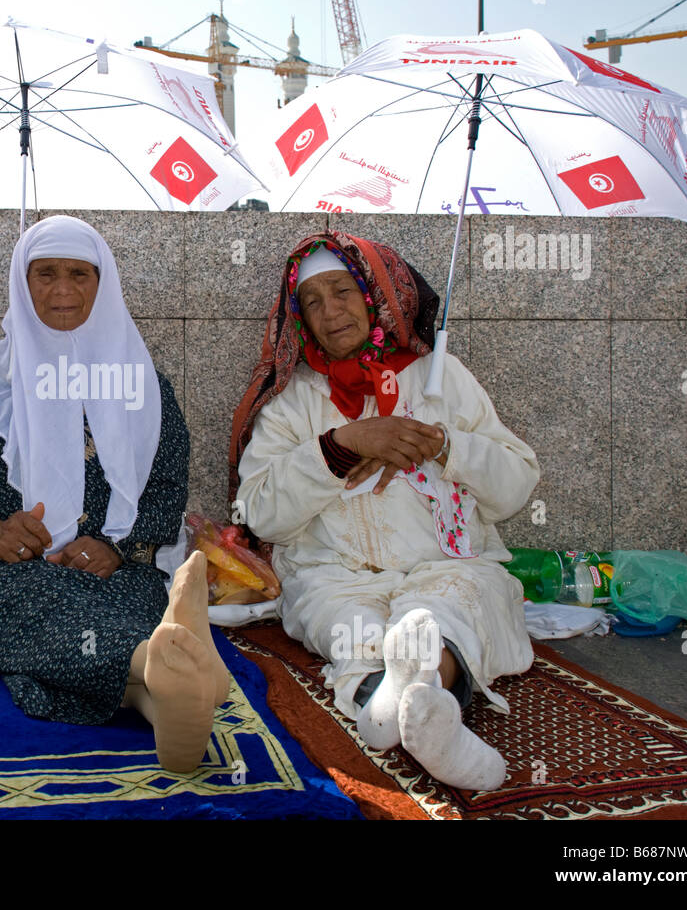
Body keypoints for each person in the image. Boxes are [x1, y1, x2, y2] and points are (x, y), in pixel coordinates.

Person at [0, 215, 225, 772]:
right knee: (31, 597)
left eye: (80, 274)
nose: (62, 290)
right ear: (20, 284)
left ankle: (157, 695)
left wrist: (115, 547)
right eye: (44, 274)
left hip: (112, 568)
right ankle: (163, 663)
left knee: (118, 596)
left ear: (104, 285)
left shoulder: (140, 383)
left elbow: (167, 482)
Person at [230, 231, 538, 791]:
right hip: (334, 574)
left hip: (447, 566)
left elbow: (515, 487)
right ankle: (418, 710)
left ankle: (396, 708)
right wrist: (343, 444)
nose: (330, 312)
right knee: (352, 633)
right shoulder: (293, 401)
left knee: (448, 614)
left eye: (343, 291)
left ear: (373, 297)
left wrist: (444, 443)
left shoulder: (439, 378)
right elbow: (261, 514)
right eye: (313, 301)